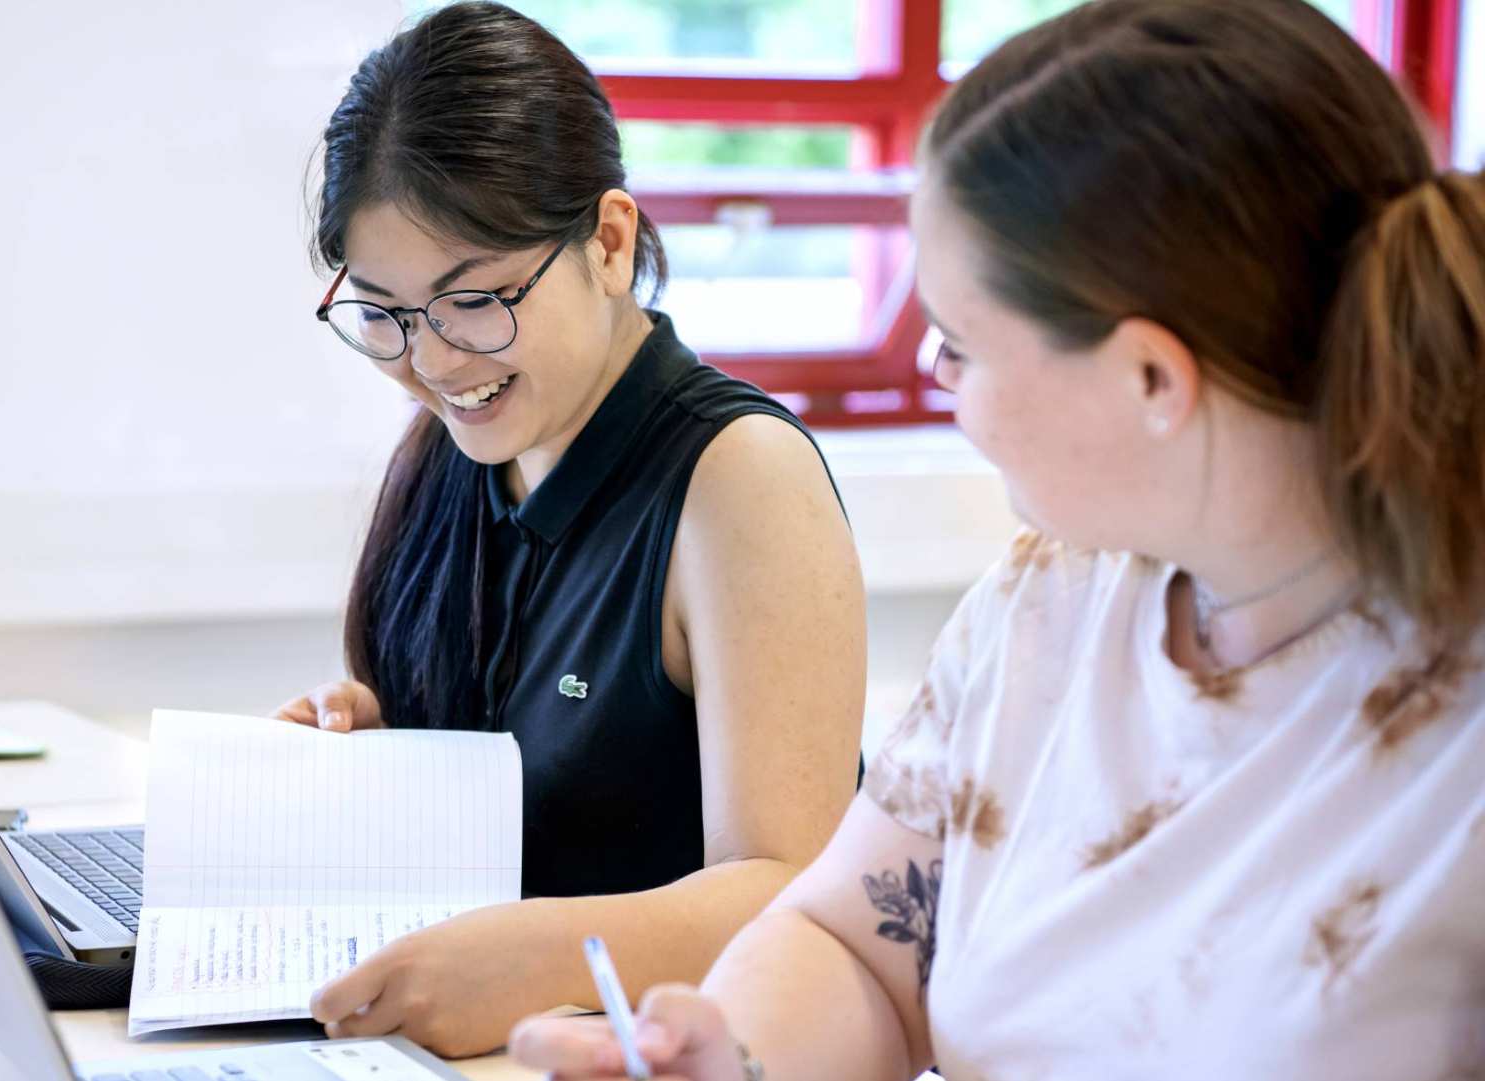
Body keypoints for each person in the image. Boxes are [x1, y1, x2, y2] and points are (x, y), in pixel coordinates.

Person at [510, 0, 1485, 1076]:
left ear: (1151, 379)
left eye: (963, 342)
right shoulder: (1055, 599)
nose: (935, 371)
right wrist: (731, 1058)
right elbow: (861, 948)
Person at [271, 1, 867, 1058]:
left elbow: (799, 893)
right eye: (386, 314)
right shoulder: (464, 443)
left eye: (476, 300)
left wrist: (534, 953)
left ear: (607, 239)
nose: (438, 361)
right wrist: (373, 739)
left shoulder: (738, 479)